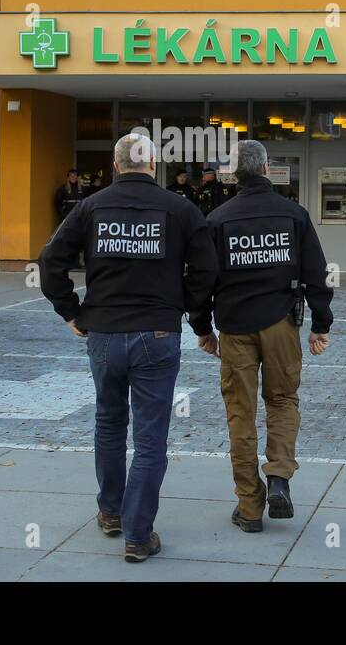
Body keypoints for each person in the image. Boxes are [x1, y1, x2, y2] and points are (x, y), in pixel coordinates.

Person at [39, 133, 218, 563]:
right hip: (156, 334)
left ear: (116, 165)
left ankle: (111, 512)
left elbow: (51, 261)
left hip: (102, 331)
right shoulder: (179, 208)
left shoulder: (91, 206)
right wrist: (188, 311)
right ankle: (138, 533)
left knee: (108, 422)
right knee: (151, 436)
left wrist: (71, 311)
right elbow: (207, 269)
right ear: (152, 164)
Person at [191, 139, 333, 533]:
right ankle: (280, 478)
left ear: (234, 174)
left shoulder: (218, 219)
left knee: (241, 413)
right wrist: (321, 324)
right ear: (267, 169)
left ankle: (250, 508)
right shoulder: (294, 215)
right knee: (283, 400)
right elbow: (316, 275)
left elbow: (201, 281)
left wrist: (202, 328)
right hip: (281, 324)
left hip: (235, 326)